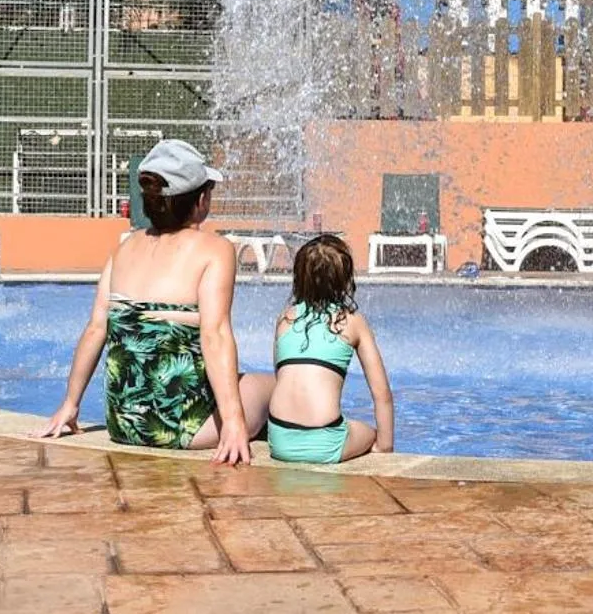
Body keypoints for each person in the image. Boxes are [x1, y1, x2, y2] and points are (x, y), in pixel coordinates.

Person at [35, 139, 271, 464]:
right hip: (186, 431)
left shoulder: (123, 249)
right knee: (273, 385)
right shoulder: (215, 249)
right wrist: (232, 421)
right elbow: (214, 334)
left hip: (123, 426)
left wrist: (70, 404)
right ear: (201, 199)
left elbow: (95, 330)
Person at [268, 234, 394, 464]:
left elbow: (281, 376)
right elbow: (381, 393)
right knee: (369, 433)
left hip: (279, 440)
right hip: (324, 442)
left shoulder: (285, 318)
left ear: (299, 277)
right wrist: (384, 446)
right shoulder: (352, 322)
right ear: (344, 279)